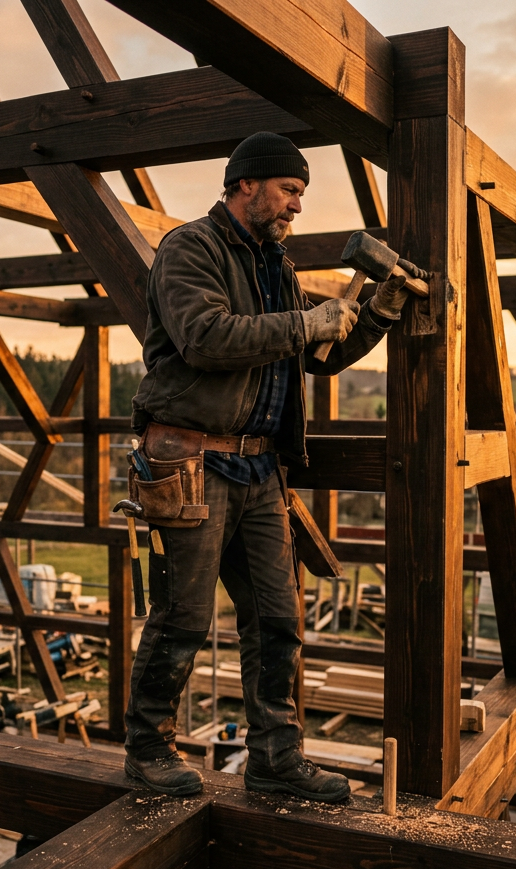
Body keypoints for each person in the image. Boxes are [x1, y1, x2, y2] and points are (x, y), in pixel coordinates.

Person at [123, 132, 412, 802]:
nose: (296, 207)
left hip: (257, 470)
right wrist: (306, 324)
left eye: (301, 195)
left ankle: (276, 760)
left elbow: (317, 355)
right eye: (290, 190)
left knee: (278, 620)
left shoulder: (274, 265)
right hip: (190, 461)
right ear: (245, 185)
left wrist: (376, 317)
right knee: (183, 617)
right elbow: (205, 337)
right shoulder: (189, 248)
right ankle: (147, 751)